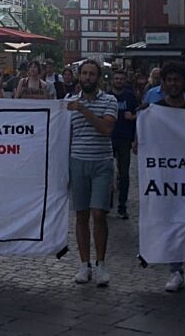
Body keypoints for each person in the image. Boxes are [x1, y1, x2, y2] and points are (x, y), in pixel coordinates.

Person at [149, 61, 185, 292]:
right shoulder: (154, 110)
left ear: (184, 83)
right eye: (169, 80)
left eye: (177, 80)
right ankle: (176, 270)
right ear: (163, 82)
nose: (173, 84)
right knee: (171, 221)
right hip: (165, 174)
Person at [67, 59, 117, 287]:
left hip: (101, 163)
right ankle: (84, 263)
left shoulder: (110, 100)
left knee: (99, 214)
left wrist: (84, 110)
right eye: (84, 73)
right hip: (78, 161)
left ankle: (101, 264)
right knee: (81, 214)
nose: (87, 77)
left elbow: (106, 129)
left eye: (92, 74)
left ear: (98, 77)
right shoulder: (68, 102)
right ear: (79, 76)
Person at [109, 69, 137, 220]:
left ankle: (122, 205)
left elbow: (139, 115)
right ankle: (106, 202)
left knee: (124, 173)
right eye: (117, 78)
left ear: (125, 81)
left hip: (125, 139)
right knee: (107, 172)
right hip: (108, 137)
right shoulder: (107, 96)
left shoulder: (130, 97)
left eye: (121, 79)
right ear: (112, 80)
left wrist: (132, 116)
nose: (119, 81)